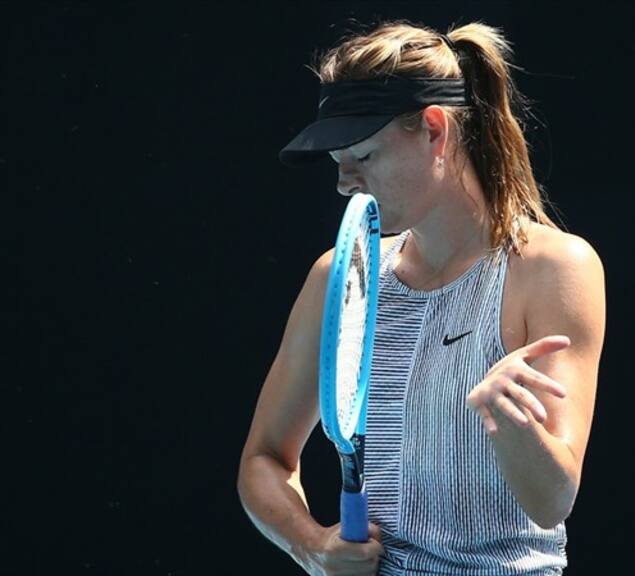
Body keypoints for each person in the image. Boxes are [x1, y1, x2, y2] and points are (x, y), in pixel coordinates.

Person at [237, 19, 606, 576]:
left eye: (364, 156)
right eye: (339, 165)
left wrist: (513, 422)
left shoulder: (555, 268)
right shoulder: (338, 277)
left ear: (434, 130)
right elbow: (262, 460)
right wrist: (310, 546)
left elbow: (553, 500)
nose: (344, 183)